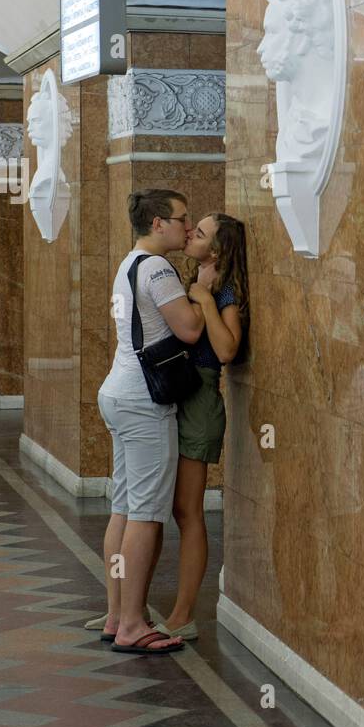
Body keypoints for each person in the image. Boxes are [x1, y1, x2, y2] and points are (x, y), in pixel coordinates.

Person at [94, 189, 204, 655]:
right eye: (181, 219)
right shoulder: (158, 268)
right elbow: (190, 330)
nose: (187, 226)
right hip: (145, 401)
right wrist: (200, 294)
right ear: (157, 223)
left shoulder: (128, 263)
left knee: (123, 507)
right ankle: (134, 625)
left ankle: (117, 613)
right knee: (145, 514)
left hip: (117, 392)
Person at [158, 213, 249, 640]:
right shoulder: (194, 278)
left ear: (216, 250)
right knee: (169, 508)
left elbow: (228, 349)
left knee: (188, 511)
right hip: (177, 397)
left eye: (200, 232)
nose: (190, 233)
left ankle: (183, 615)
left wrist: (207, 301)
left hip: (201, 404)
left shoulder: (224, 291)